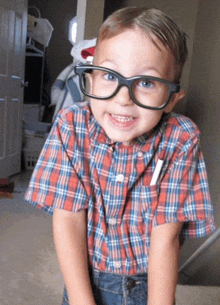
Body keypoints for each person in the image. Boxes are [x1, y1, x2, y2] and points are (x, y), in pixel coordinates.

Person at [24, 6, 216, 305]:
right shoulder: (71, 125)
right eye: (109, 76)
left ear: (171, 99)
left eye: (147, 82)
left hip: (146, 283)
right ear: (90, 81)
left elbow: (166, 238)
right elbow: (68, 220)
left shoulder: (181, 137)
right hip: (85, 279)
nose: (123, 98)